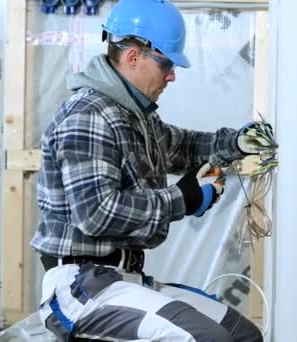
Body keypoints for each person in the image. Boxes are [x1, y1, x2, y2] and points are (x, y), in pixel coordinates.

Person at [29, 0, 266, 340]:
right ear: (133, 56)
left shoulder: (135, 117)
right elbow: (97, 213)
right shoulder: (89, 115)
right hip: (80, 286)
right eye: (167, 63)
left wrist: (239, 143)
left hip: (124, 279)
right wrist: (181, 199)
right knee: (207, 338)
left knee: (243, 335)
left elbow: (184, 146)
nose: (172, 75)